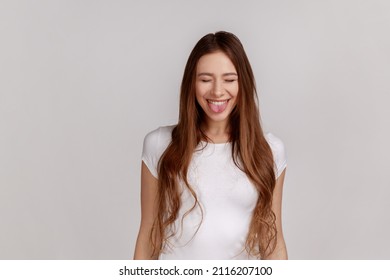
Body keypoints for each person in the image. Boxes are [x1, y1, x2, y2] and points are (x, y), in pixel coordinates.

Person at [134, 31, 287, 260]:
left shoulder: (269, 151)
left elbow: (272, 240)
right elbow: (149, 234)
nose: (217, 91)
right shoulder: (160, 144)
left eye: (229, 79)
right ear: (191, 84)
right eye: (205, 79)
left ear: (242, 83)